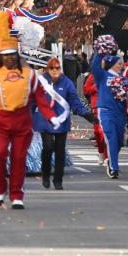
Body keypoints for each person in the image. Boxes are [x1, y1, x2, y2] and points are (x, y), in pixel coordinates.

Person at [0, 49, 57, 209]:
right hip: (0, 122)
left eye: (12, 55)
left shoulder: (30, 75)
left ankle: (16, 194)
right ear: (1, 57)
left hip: (22, 122)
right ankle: (0, 187)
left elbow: (40, 99)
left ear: (17, 56)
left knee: (19, 158)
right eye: (6, 56)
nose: (9, 59)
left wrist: (51, 116)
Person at [32, 57, 95, 190]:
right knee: (48, 147)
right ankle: (45, 173)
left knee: (60, 149)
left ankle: (58, 179)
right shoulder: (40, 82)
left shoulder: (67, 83)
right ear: (47, 69)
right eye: (52, 68)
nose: (55, 71)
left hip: (62, 120)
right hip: (45, 120)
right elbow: (33, 101)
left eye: (57, 68)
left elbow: (75, 102)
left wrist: (87, 115)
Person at [89, 40, 128, 179]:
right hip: (106, 111)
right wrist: (100, 52)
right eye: (119, 63)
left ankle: (111, 160)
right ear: (112, 64)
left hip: (120, 113)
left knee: (120, 141)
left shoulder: (123, 79)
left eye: (122, 63)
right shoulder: (103, 75)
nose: (122, 65)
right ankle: (114, 168)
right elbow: (95, 66)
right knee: (111, 138)